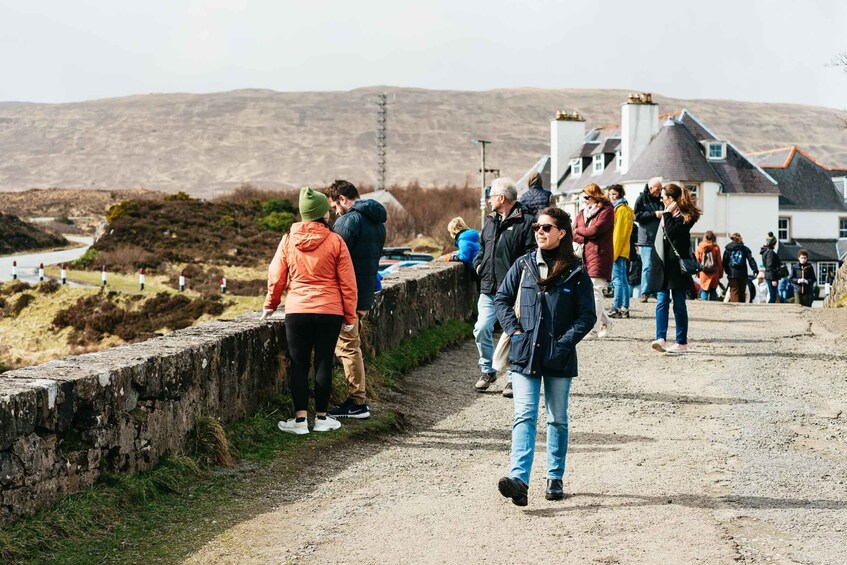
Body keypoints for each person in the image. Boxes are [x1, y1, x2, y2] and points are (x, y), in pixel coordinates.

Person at [493, 206, 596, 506]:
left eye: (546, 227)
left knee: (557, 419)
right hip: (525, 355)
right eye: (537, 226)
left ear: (561, 232)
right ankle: (519, 481)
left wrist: (563, 344)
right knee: (524, 415)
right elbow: (501, 298)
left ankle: (555, 477)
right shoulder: (523, 264)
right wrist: (513, 331)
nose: (539, 231)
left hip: (559, 357)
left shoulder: (576, 271)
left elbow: (586, 316)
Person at [263, 187, 358, 435]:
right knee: (324, 361)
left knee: (299, 364)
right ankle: (323, 418)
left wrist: (270, 305)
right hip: (330, 310)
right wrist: (350, 316)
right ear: (322, 214)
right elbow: (348, 283)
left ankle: (300, 421)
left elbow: (276, 277)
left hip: (298, 309)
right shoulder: (336, 241)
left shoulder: (287, 240)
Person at [323, 180, 387, 419]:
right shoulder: (377, 221)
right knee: (352, 344)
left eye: (334, 207)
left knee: (348, 347)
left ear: (341, 199)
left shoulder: (348, 221)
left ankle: (357, 402)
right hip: (365, 293)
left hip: (348, 295)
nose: (335, 212)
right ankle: (356, 399)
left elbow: (332, 257)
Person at [472, 177, 535, 397]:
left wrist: (521, 278)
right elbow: (482, 247)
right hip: (488, 287)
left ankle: (512, 378)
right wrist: (478, 265)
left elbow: (532, 253)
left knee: (514, 332)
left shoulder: (526, 221)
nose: (488, 200)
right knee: (482, 328)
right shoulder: (490, 220)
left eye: (491, 196)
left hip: (515, 289)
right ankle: (487, 370)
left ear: (502, 197)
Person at [648, 184, 701, 354]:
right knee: (662, 301)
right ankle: (660, 338)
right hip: (664, 264)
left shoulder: (685, 217)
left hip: (678, 266)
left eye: (663, 197)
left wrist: (667, 213)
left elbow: (671, 232)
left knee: (679, 303)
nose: (661, 200)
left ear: (671, 199)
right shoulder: (668, 215)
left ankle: (681, 343)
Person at [573, 183, 614, 337]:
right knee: (588, 293)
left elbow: (596, 230)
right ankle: (606, 321)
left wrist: (581, 232)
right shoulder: (583, 213)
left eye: (586, 197)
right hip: (584, 256)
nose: (584, 200)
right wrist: (584, 233)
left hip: (600, 255)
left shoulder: (607, 211)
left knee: (595, 291)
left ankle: (593, 329)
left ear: (594, 196)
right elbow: (574, 232)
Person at [633, 177, 663, 303]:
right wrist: (654, 214)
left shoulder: (661, 199)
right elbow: (636, 216)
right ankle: (645, 293)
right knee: (647, 266)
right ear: (650, 188)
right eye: (657, 189)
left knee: (658, 266)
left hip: (659, 237)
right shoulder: (641, 199)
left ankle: (657, 291)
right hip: (646, 238)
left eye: (660, 189)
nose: (659, 191)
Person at [607, 184, 634, 318]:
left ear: (620, 194)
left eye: (614, 194)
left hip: (618, 250)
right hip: (623, 250)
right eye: (610, 194)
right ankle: (624, 307)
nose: (611, 196)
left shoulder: (621, 210)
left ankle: (616, 306)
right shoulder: (624, 209)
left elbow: (618, 234)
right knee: (623, 280)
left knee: (617, 279)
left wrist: (613, 253)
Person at [722, 233, 759, 303]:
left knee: (734, 291)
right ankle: (741, 309)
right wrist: (755, 270)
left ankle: (734, 308)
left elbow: (724, 261)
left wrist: (726, 270)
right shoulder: (744, 249)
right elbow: (751, 259)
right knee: (742, 292)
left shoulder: (728, 249)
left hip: (732, 273)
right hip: (743, 273)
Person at [695, 231, 723, 301]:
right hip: (714, 272)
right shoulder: (716, 248)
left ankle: (704, 305)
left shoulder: (699, 248)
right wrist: (720, 273)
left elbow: (697, 261)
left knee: (704, 290)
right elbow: (719, 261)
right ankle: (713, 307)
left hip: (703, 272)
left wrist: (697, 273)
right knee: (713, 290)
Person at [760, 232, 782, 304]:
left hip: (769, 275)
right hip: (771, 276)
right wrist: (774, 279)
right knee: (773, 296)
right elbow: (770, 266)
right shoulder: (770, 252)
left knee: (773, 295)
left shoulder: (765, 251)